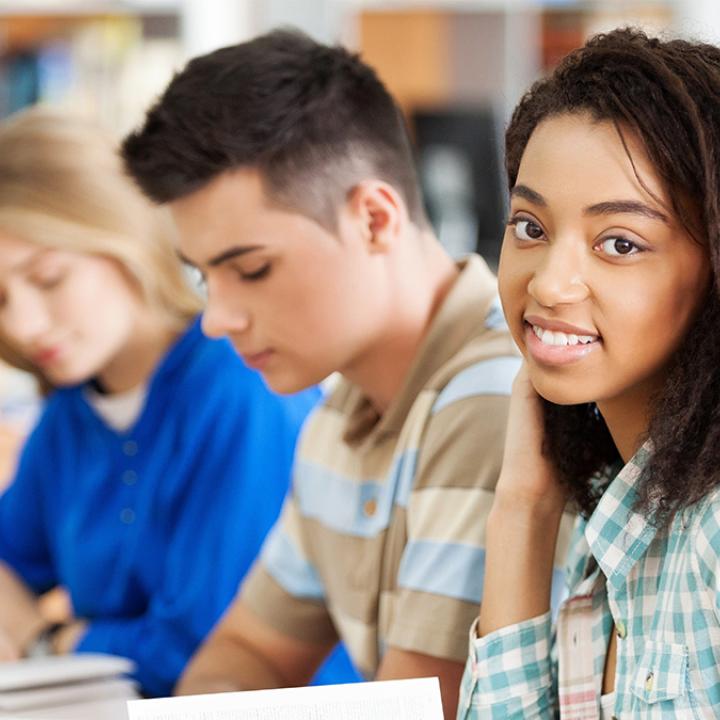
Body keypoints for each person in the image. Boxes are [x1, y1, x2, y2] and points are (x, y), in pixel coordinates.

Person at [120, 29, 559, 719]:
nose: (217, 318)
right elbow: (244, 655)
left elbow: (424, 706)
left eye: (251, 268)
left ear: (376, 219)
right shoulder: (340, 414)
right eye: (205, 276)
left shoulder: (493, 397)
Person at [0, 107, 325, 697]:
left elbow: (202, 656)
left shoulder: (241, 387)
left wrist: (51, 641)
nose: (23, 324)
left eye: (48, 279)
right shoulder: (69, 415)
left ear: (124, 240)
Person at [459, 28, 720, 719]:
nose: (548, 285)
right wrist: (521, 508)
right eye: (530, 228)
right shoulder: (607, 507)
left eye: (619, 243)